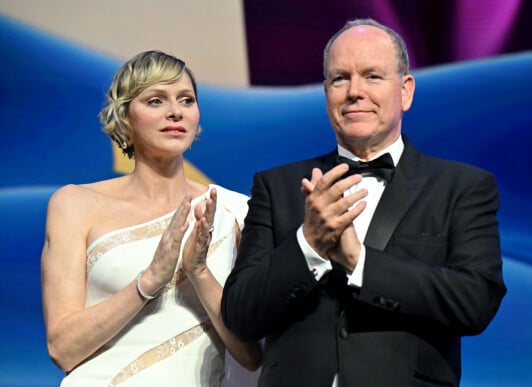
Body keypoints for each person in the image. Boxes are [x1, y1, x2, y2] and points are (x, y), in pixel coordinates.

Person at [221, 18, 506, 387]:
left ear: (405, 91)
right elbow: (240, 316)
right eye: (340, 78)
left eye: (372, 76)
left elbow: (475, 302)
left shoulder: (463, 187)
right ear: (326, 93)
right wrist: (308, 244)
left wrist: (360, 262)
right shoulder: (276, 186)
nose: (354, 91)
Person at [41, 50, 261, 386]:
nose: (175, 112)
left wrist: (199, 274)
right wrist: (149, 281)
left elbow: (252, 356)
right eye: (156, 100)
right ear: (125, 116)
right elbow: (63, 348)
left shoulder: (234, 211)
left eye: (186, 100)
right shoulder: (75, 204)